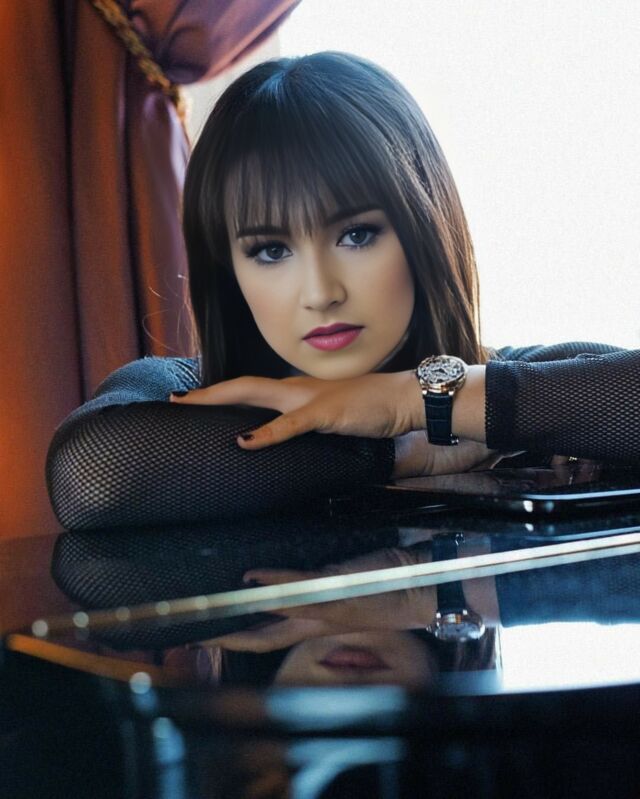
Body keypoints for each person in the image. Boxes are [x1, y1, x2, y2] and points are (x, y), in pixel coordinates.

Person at [45, 51, 639, 531]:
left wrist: (414, 404)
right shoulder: (176, 395)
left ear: (423, 231)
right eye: (271, 250)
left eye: (356, 235)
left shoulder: (508, 391)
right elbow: (93, 476)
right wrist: (406, 449)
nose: (321, 292)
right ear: (229, 271)